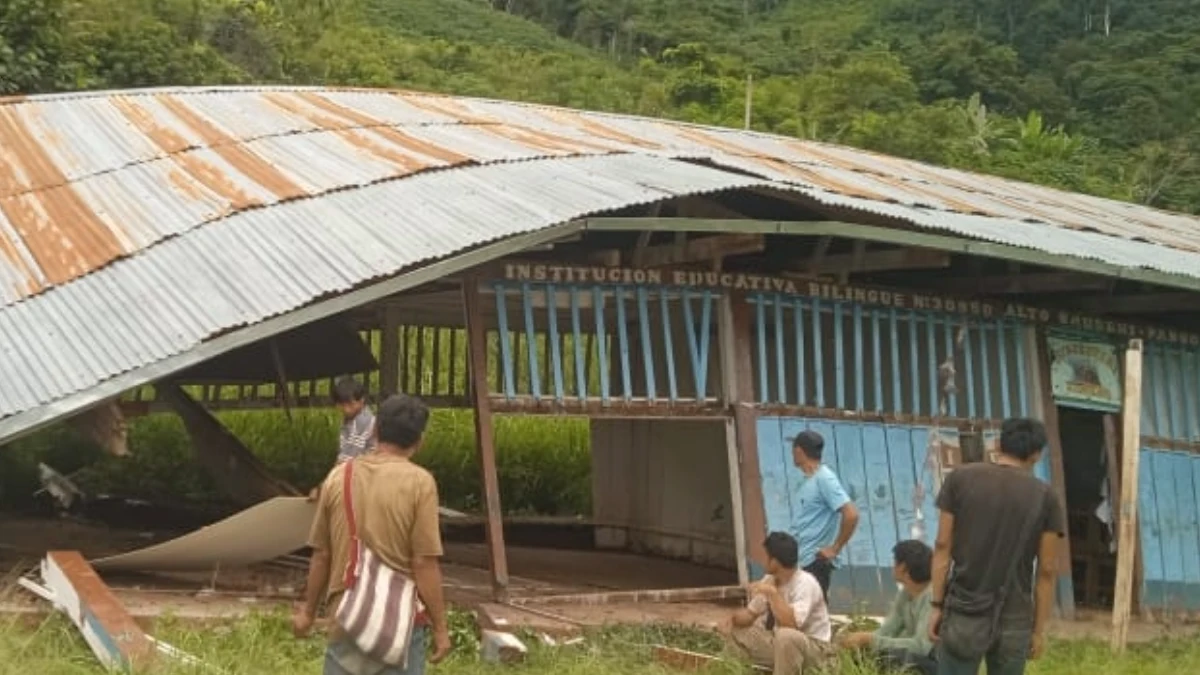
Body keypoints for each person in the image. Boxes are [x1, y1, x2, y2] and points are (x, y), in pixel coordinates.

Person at [293, 394, 451, 675]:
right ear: (419, 441)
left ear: (375, 429)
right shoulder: (420, 483)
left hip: (346, 616)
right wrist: (440, 628)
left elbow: (322, 555)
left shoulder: (338, 476)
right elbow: (424, 563)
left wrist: (308, 612)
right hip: (399, 621)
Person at [928, 417, 1064, 675]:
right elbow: (1047, 569)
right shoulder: (1046, 497)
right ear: (1037, 454)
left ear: (999, 444)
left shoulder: (960, 479)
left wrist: (936, 605)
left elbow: (942, 545)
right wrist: (1037, 631)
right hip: (1015, 617)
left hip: (964, 610)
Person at [730, 532, 834, 675]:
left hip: (814, 649)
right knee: (739, 632)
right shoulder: (770, 579)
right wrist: (732, 619)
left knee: (786, 636)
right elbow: (750, 614)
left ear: (775, 562)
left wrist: (773, 594)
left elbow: (792, 625)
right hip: (781, 643)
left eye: (766, 556)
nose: (763, 560)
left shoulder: (805, 583)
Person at [838, 540, 936, 675]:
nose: (892, 566)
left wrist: (871, 639)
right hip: (913, 656)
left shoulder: (932, 597)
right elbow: (888, 629)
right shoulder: (906, 593)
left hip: (934, 662)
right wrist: (862, 641)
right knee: (863, 653)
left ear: (903, 567)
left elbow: (921, 647)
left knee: (892, 657)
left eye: (895, 562)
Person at [790, 430, 860, 598]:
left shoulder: (824, 478)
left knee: (812, 616)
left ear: (799, 451)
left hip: (814, 562)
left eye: (793, 449)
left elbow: (851, 514)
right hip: (801, 560)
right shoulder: (808, 480)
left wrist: (835, 548)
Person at [309, 376, 377, 501]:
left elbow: (345, 462)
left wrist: (323, 487)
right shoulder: (350, 421)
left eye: (351, 404)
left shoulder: (362, 422)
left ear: (362, 400)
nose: (346, 409)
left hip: (367, 480)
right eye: (341, 404)